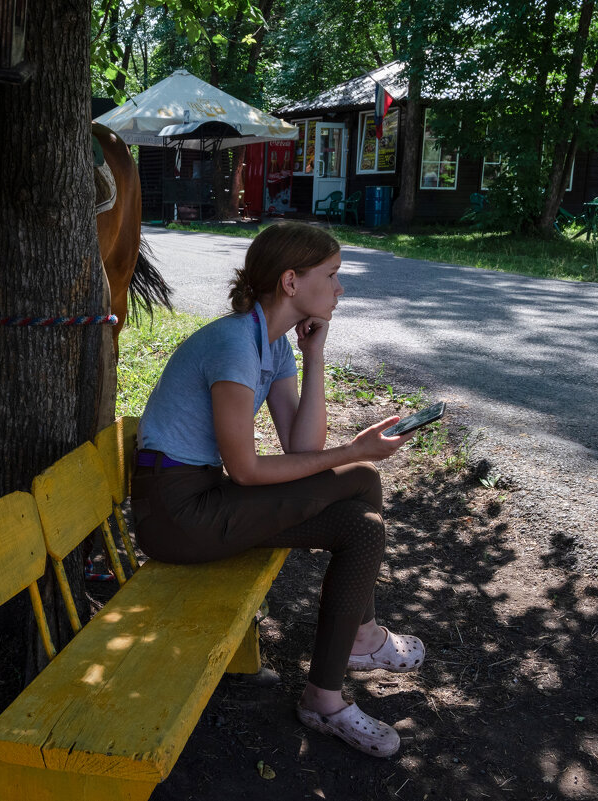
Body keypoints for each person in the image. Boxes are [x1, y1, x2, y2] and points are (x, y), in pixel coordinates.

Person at [130, 222, 424, 758]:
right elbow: (245, 470)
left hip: (202, 497)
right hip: (174, 515)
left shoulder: (272, 344)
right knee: (359, 493)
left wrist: (314, 357)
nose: (340, 288)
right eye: (331, 275)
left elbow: (301, 448)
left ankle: (346, 660)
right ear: (291, 281)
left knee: (361, 501)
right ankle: (332, 691)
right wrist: (354, 449)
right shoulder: (233, 345)